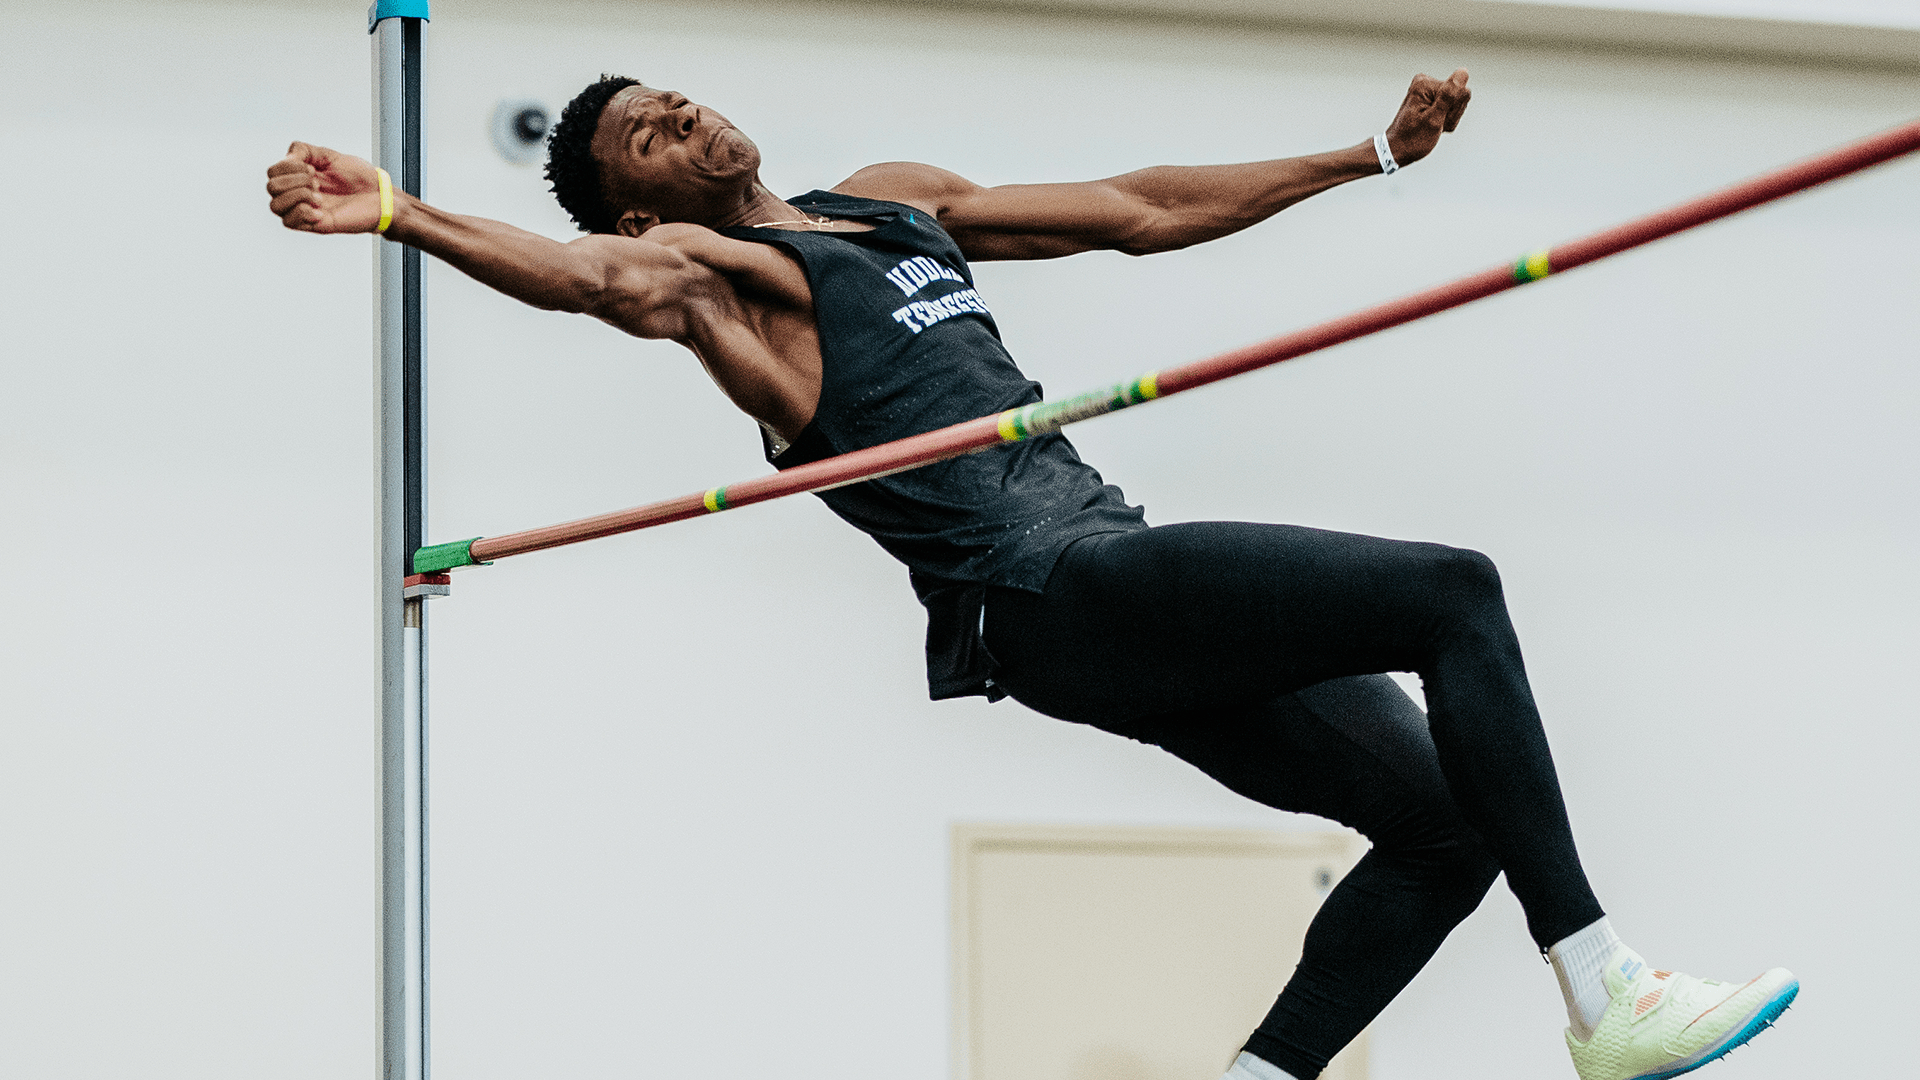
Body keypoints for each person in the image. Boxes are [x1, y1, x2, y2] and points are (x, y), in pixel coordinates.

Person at [266, 69, 1795, 1080]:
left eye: (680, 98)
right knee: (1450, 589)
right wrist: (401, 212)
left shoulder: (889, 199)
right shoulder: (714, 283)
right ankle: (1603, 986)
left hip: (1108, 567)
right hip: (1042, 589)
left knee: (1450, 827)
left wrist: (1365, 154)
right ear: (644, 202)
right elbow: (595, 279)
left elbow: (1142, 211)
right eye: (649, 141)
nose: (687, 120)